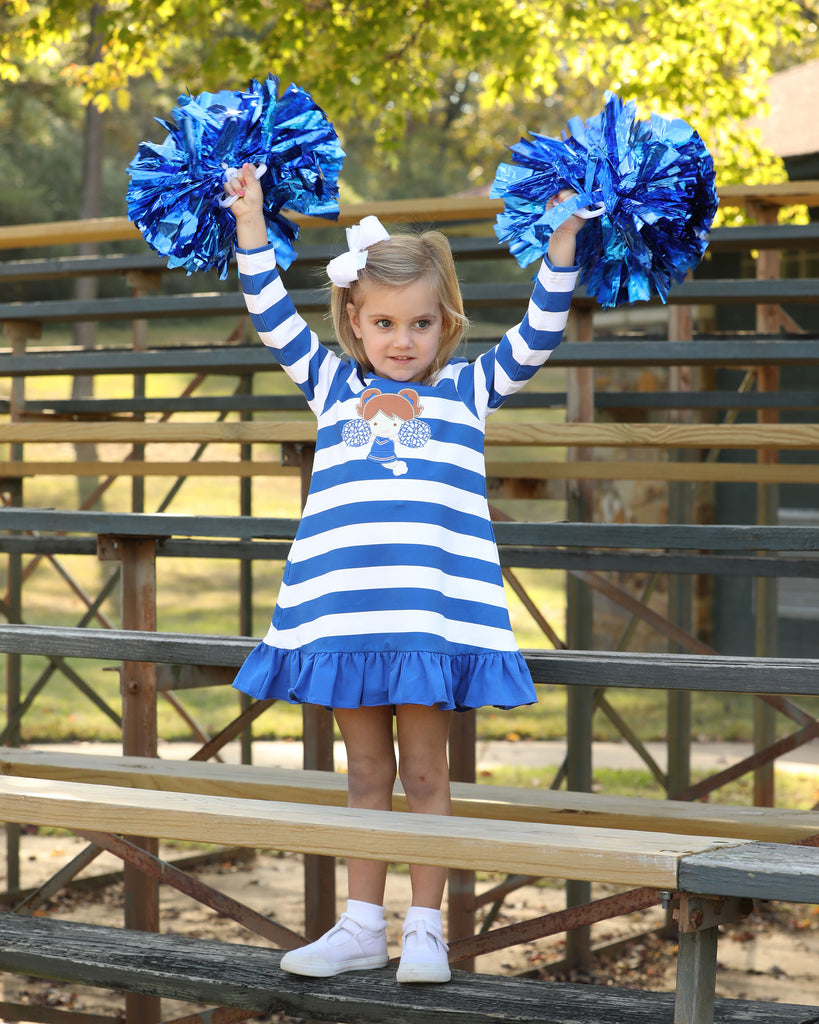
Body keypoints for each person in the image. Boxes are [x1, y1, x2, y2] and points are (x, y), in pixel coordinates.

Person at [224, 163, 586, 983]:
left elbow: (538, 333)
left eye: (420, 323)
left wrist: (561, 244)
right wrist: (251, 221)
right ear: (353, 323)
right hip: (346, 625)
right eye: (383, 322)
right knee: (363, 774)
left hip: (425, 625)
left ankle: (425, 929)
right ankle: (359, 925)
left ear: (445, 324)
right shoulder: (326, 386)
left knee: (426, 773)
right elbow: (267, 309)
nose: (401, 340)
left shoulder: (467, 393)